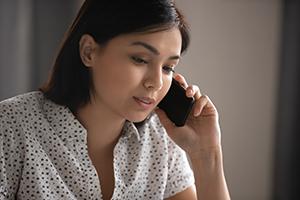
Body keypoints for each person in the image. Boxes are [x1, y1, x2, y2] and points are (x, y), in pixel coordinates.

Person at [0, 0, 230, 199]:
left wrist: (206, 153)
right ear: (88, 52)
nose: (156, 83)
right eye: (140, 59)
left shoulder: (161, 139)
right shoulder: (11, 125)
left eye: (168, 67)